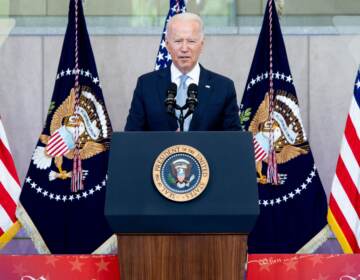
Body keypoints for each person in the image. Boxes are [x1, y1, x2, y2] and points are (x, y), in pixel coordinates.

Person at [124, 12, 241, 131]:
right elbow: (132, 137)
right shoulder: (146, 85)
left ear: (201, 44)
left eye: (191, 41)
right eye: (178, 41)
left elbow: (233, 141)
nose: (184, 48)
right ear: (168, 45)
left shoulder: (223, 87)